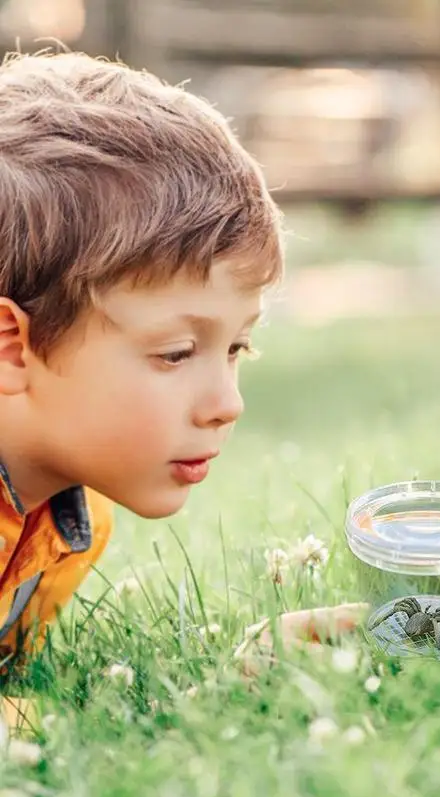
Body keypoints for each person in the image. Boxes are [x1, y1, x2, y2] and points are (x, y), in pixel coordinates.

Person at [0, 50, 366, 674]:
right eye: (174, 353)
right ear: (12, 347)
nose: (228, 404)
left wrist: (237, 674)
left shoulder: (70, 519)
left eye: (236, 348)